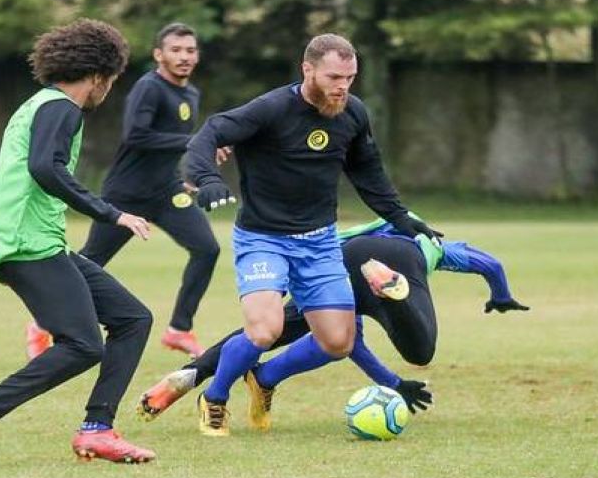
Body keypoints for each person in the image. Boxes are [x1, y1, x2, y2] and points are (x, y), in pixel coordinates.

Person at [184, 33, 440, 437]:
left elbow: (369, 175)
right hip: (263, 239)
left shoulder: (353, 114)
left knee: (337, 342)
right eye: (334, 76)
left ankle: (263, 380)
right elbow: (210, 133)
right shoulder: (271, 109)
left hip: (319, 243)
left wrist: (404, 219)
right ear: (308, 70)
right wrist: (206, 178)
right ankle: (215, 397)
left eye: (350, 77)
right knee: (264, 330)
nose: (343, 86)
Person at [0, 19, 157, 466]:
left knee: (133, 318)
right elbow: (46, 168)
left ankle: (97, 429)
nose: (109, 91)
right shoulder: (62, 109)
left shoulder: (35, 105)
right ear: (99, 75)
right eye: (112, 81)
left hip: (34, 243)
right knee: (81, 345)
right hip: (31, 245)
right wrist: (110, 212)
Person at [135, 217, 528, 433]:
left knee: (266, 329)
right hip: (397, 264)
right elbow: (489, 262)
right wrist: (500, 293)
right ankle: (396, 293)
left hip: (335, 260)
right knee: (419, 351)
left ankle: (200, 374)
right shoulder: (432, 245)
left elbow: (347, 337)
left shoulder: (358, 234)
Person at [65, 22, 218, 358]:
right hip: (127, 194)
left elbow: (171, 145)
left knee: (207, 249)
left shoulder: (190, 93)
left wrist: (185, 175)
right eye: (175, 50)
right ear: (158, 54)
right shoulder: (148, 88)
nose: (184, 56)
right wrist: (194, 141)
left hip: (166, 192)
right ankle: (43, 323)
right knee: (92, 261)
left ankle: (180, 329)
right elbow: (137, 136)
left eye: (190, 50)